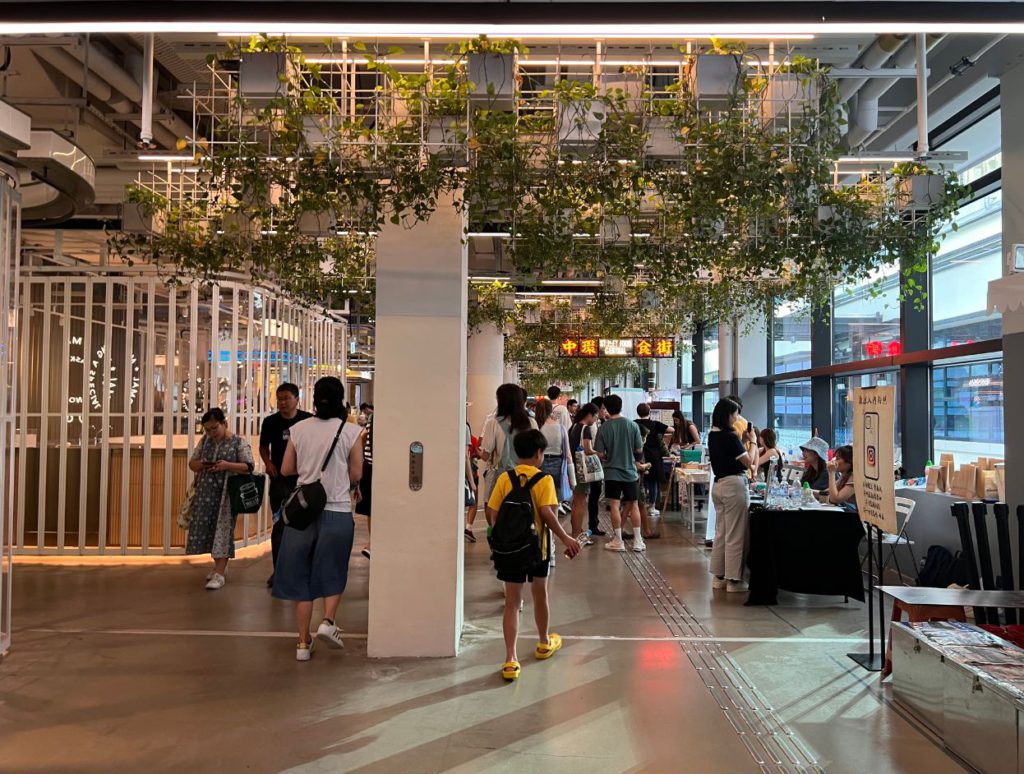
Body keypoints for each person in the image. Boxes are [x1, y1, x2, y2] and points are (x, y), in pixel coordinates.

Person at [273, 376, 364, 662]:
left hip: (303, 511)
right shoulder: (351, 431)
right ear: (341, 400)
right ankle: (327, 621)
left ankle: (302, 643)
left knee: (302, 577)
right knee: (333, 569)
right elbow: (357, 475)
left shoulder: (298, 429)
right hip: (336, 510)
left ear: (313, 399)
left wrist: (309, 473)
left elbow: (287, 469)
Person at [486, 429, 581, 681]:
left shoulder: (506, 478)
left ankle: (510, 659)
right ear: (539, 453)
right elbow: (548, 515)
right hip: (538, 550)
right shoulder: (545, 480)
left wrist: (500, 535)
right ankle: (543, 642)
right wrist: (567, 538)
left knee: (512, 604)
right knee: (541, 596)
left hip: (511, 550)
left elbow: (492, 511)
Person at [186, 408, 256, 590]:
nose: (211, 433)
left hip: (227, 494)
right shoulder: (205, 442)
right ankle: (219, 568)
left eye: (214, 428)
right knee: (209, 528)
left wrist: (227, 465)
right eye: (207, 429)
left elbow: (248, 466)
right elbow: (192, 464)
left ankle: (219, 572)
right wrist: (201, 464)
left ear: (224, 424)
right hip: (205, 493)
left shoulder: (238, 442)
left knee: (223, 529)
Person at [259, 383, 313, 587]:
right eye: (279, 398)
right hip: (279, 482)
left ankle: (302, 568)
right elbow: (264, 446)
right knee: (280, 525)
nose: (282, 402)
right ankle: (279, 570)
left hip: (304, 481)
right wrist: (268, 463)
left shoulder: (308, 420)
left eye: (286, 398)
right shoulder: (271, 422)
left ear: (297, 399)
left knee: (304, 525)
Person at [707, 398, 753, 593]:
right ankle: (734, 580)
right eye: (734, 414)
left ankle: (719, 576)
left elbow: (731, 453)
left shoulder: (713, 435)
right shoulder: (730, 437)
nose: (736, 417)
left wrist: (742, 442)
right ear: (727, 415)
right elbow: (748, 462)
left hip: (718, 485)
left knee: (722, 532)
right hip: (734, 485)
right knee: (735, 533)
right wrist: (751, 442)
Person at [594, 394, 645, 553]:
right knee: (634, 504)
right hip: (630, 472)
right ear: (621, 406)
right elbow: (639, 449)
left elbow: (600, 453)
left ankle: (618, 540)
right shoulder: (632, 425)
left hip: (612, 473)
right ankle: (638, 541)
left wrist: (609, 456)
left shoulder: (604, 427)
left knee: (615, 505)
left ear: (607, 408)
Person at [479, 383, 539, 518]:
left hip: (501, 477)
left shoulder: (493, 424)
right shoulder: (532, 423)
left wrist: (478, 452)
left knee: (494, 511)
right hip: (527, 477)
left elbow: (485, 455)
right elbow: (538, 454)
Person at [534, 398, 574, 505]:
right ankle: (554, 520)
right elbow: (568, 455)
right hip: (558, 465)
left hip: (539, 464)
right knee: (554, 500)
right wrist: (573, 479)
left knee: (540, 500)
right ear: (551, 410)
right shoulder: (561, 428)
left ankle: (542, 521)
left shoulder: (536, 427)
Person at [568, 402, 598, 542]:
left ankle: (577, 531)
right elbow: (587, 450)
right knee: (580, 502)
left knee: (576, 501)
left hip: (573, 467)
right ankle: (577, 535)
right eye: (596, 416)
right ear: (589, 415)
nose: (596, 419)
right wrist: (599, 454)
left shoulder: (574, 426)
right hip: (582, 470)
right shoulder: (585, 428)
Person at [635, 403, 669, 518]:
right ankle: (652, 507)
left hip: (638, 456)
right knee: (653, 482)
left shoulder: (634, 423)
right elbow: (671, 429)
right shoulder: (655, 424)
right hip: (654, 457)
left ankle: (638, 507)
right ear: (649, 412)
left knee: (638, 482)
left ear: (638, 412)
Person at [586, 396, 608, 537]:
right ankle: (593, 525)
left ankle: (593, 524)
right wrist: (601, 454)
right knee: (593, 496)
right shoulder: (592, 426)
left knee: (593, 496)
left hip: (593, 463)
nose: (604, 411)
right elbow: (592, 448)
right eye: (603, 409)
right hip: (593, 464)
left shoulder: (595, 424)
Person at [355, 405, 373, 559]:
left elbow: (363, 438)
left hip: (369, 466)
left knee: (370, 509)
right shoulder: (374, 419)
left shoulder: (374, 419)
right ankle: (372, 543)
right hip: (373, 467)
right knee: (371, 507)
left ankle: (372, 542)